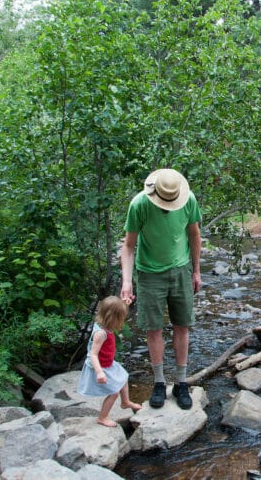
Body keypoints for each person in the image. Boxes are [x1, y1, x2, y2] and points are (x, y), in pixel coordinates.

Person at [120, 168, 202, 410]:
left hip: (181, 269)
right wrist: (127, 281)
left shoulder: (189, 200)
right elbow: (128, 246)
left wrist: (196, 271)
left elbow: (194, 235)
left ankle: (181, 382)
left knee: (182, 325)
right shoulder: (139, 205)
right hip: (149, 273)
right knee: (153, 328)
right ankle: (158, 382)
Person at [77, 296, 142, 427]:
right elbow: (93, 354)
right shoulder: (101, 334)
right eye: (121, 319)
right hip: (100, 366)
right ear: (113, 318)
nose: (122, 322)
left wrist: (125, 303)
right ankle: (102, 417)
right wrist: (100, 373)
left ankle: (125, 402)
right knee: (114, 392)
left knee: (123, 377)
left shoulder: (106, 324)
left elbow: (114, 307)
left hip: (108, 363)